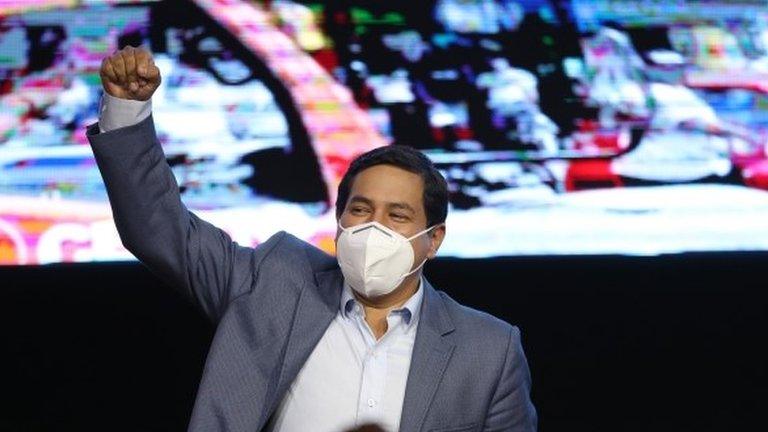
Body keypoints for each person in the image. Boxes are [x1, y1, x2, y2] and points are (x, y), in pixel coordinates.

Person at [88, 46, 536, 432]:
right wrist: (127, 113)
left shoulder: (488, 350)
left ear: (432, 238)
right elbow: (157, 228)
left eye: (397, 216)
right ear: (340, 219)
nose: (373, 227)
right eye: (360, 210)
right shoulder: (271, 282)